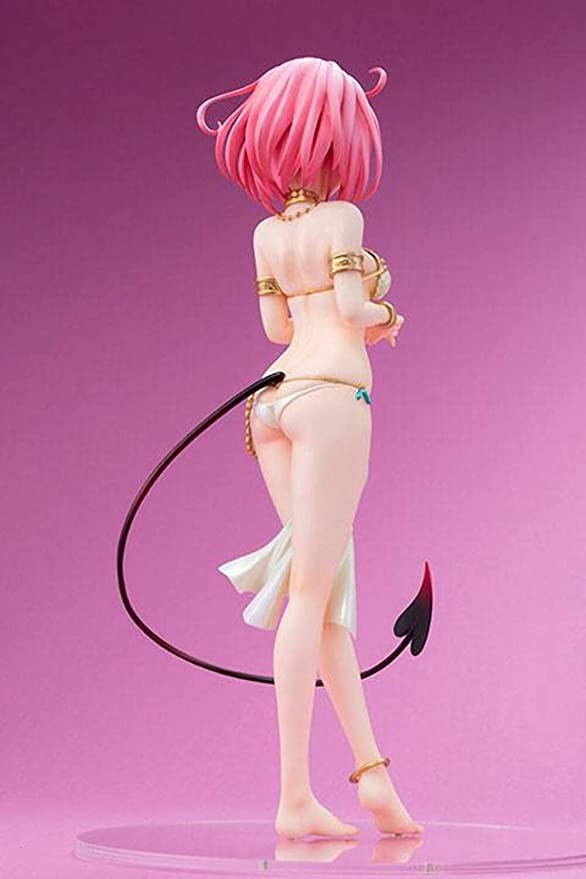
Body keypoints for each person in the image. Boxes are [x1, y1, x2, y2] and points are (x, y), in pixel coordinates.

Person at [196, 57, 423, 841]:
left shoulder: (267, 234)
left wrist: (341, 306)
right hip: (331, 397)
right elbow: (354, 309)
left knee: (322, 590)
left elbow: (276, 329)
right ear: (338, 140)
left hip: (270, 401)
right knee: (309, 594)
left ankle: (372, 774)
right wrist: (388, 310)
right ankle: (294, 795)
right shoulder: (343, 220)